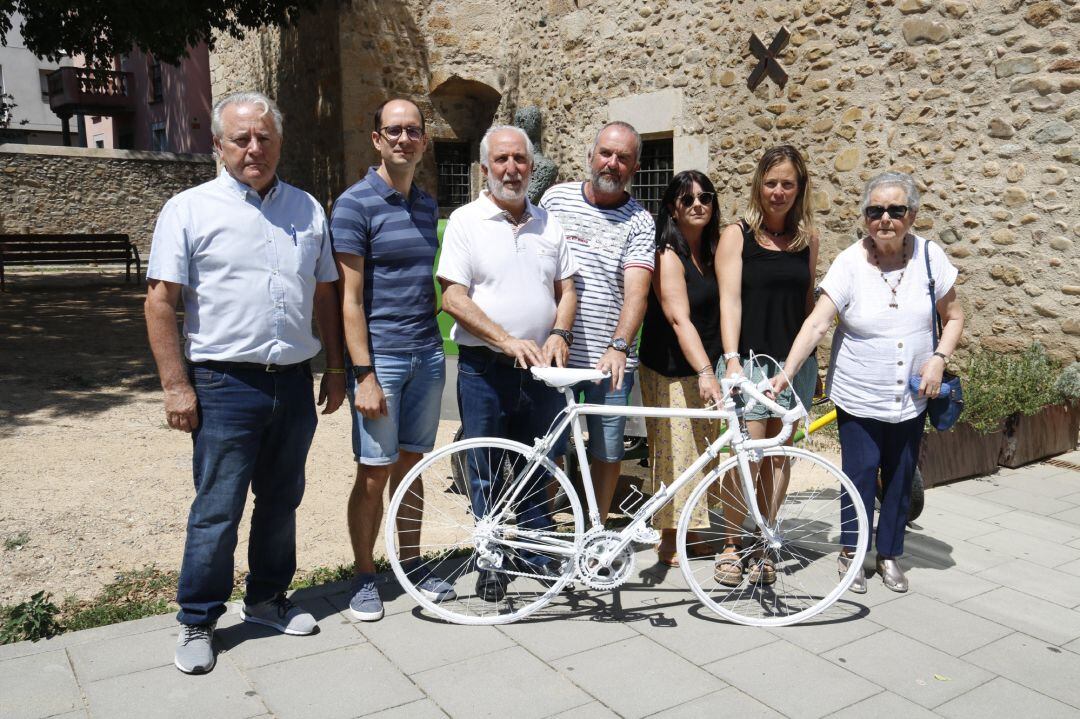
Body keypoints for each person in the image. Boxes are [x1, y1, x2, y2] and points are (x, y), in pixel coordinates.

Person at [145, 91, 345, 674]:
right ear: (219, 145)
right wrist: (175, 385)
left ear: (279, 142)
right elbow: (161, 302)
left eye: (264, 137)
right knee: (217, 506)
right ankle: (197, 619)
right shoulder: (188, 209)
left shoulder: (307, 209)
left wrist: (334, 366)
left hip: (291, 381)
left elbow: (326, 293)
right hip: (224, 384)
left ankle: (265, 601)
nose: (254, 148)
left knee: (282, 501)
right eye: (241, 138)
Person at [772, 171, 964, 593]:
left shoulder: (931, 258)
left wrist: (938, 359)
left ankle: (891, 554)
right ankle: (853, 553)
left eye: (896, 210)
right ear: (864, 217)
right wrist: (787, 372)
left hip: (911, 394)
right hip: (858, 393)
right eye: (875, 210)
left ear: (911, 215)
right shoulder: (850, 262)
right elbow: (818, 322)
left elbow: (954, 318)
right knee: (859, 474)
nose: (885, 219)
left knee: (900, 474)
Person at [437, 124, 578, 601]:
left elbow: (568, 289)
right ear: (485, 169)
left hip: (540, 367)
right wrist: (506, 340)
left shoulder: (548, 223)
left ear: (531, 167)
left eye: (519, 159)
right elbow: (453, 297)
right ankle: (491, 556)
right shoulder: (465, 222)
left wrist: (560, 332)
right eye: (501, 160)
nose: (511, 169)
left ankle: (536, 551)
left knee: (540, 461)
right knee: (484, 464)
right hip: (485, 367)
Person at [331, 98, 454, 623]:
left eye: (413, 131)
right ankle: (365, 576)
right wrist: (363, 373)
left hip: (427, 353)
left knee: (412, 466)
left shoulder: (426, 205)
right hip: (381, 358)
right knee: (375, 473)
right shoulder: (354, 204)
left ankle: (410, 565)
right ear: (376, 139)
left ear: (424, 141)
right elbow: (349, 299)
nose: (403, 139)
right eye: (393, 131)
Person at [539, 121, 655, 522]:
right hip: (556, 353)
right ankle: (549, 533)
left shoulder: (640, 221)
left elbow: (636, 294)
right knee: (550, 446)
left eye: (623, 158)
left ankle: (597, 529)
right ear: (590, 156)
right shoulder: (555, 200)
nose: (612, 163)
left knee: (608, 449)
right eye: (606, 153)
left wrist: (619, 345)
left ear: (635, 167)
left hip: (610, 360)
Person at [714, 145, 819, 587]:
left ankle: (764, 542)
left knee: (778, 459)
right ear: (759, 185)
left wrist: (809, 363)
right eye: (771, 182)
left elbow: (809, 303)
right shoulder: (737, 234)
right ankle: (732, 545)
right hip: (749, 363)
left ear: (800, 189)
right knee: (745, 456)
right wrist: (733, 360)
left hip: (792, 366)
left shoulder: (807, 239)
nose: (778, 192)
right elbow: (730, 301)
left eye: (787, 184)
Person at [638, 171, 723, 567]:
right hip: (671, 366)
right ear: (672, 206)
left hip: (704, 364)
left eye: (705, 197)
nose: (697, 205)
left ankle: (688, 531)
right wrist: (706, 371)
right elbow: (678, 318)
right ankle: (668, 539)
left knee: (702, 451)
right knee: (674, 453)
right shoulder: (667, 252)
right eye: (687, 199)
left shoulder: (710, 249)